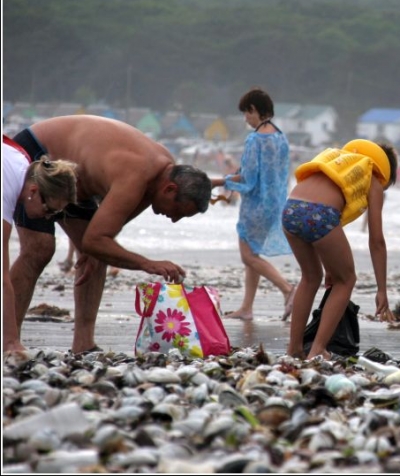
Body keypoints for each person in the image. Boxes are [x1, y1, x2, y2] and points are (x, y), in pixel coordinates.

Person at [10, 115, 212, 353]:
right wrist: (147, 264)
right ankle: (8, 340)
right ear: (170, 189)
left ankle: (83, 344)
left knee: (98, 256)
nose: (175, 219)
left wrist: (95, 250)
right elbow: (97, 239)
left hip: (76, 183)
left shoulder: (162, 172)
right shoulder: (136, 175)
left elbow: (103, 234)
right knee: (40, 249)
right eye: (179, 211)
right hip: (39, 152)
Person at [282, 139, 398, 360]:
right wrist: (381, 289)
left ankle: (294, 348)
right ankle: (317, 349)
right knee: (347, 280)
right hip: (320, 215)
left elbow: (314, 212)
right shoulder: (372, 178)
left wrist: (330, 266)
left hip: (290, 209)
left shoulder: (336, 165)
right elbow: (377, 241)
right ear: (383, 170)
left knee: (310, 277)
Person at [210, 88, 296, 321]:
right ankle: (246, 308)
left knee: (248, 257)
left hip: (256, 206)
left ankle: (288, 289)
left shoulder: (256, 139)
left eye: (246, 113)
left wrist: (215, 182)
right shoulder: (280, 137)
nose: (245, 118)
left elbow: (247, 178)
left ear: (254, 110)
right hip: (275, 204)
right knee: (253, 255)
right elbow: (279, 173)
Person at [3, 136, 78, 354]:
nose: (48, 218)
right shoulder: (7, 188)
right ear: (34, 191)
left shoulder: (24, 166)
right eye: (49, 210)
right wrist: (10, 342)